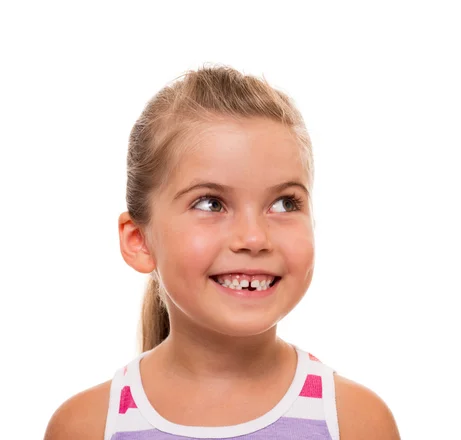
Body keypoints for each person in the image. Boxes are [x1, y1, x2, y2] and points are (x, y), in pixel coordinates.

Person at [44, 65, 401, 440]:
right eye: (211, 204)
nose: (253, 238)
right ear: (139, 240)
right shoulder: (86, 426)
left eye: (283, 203)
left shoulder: (355, 422)